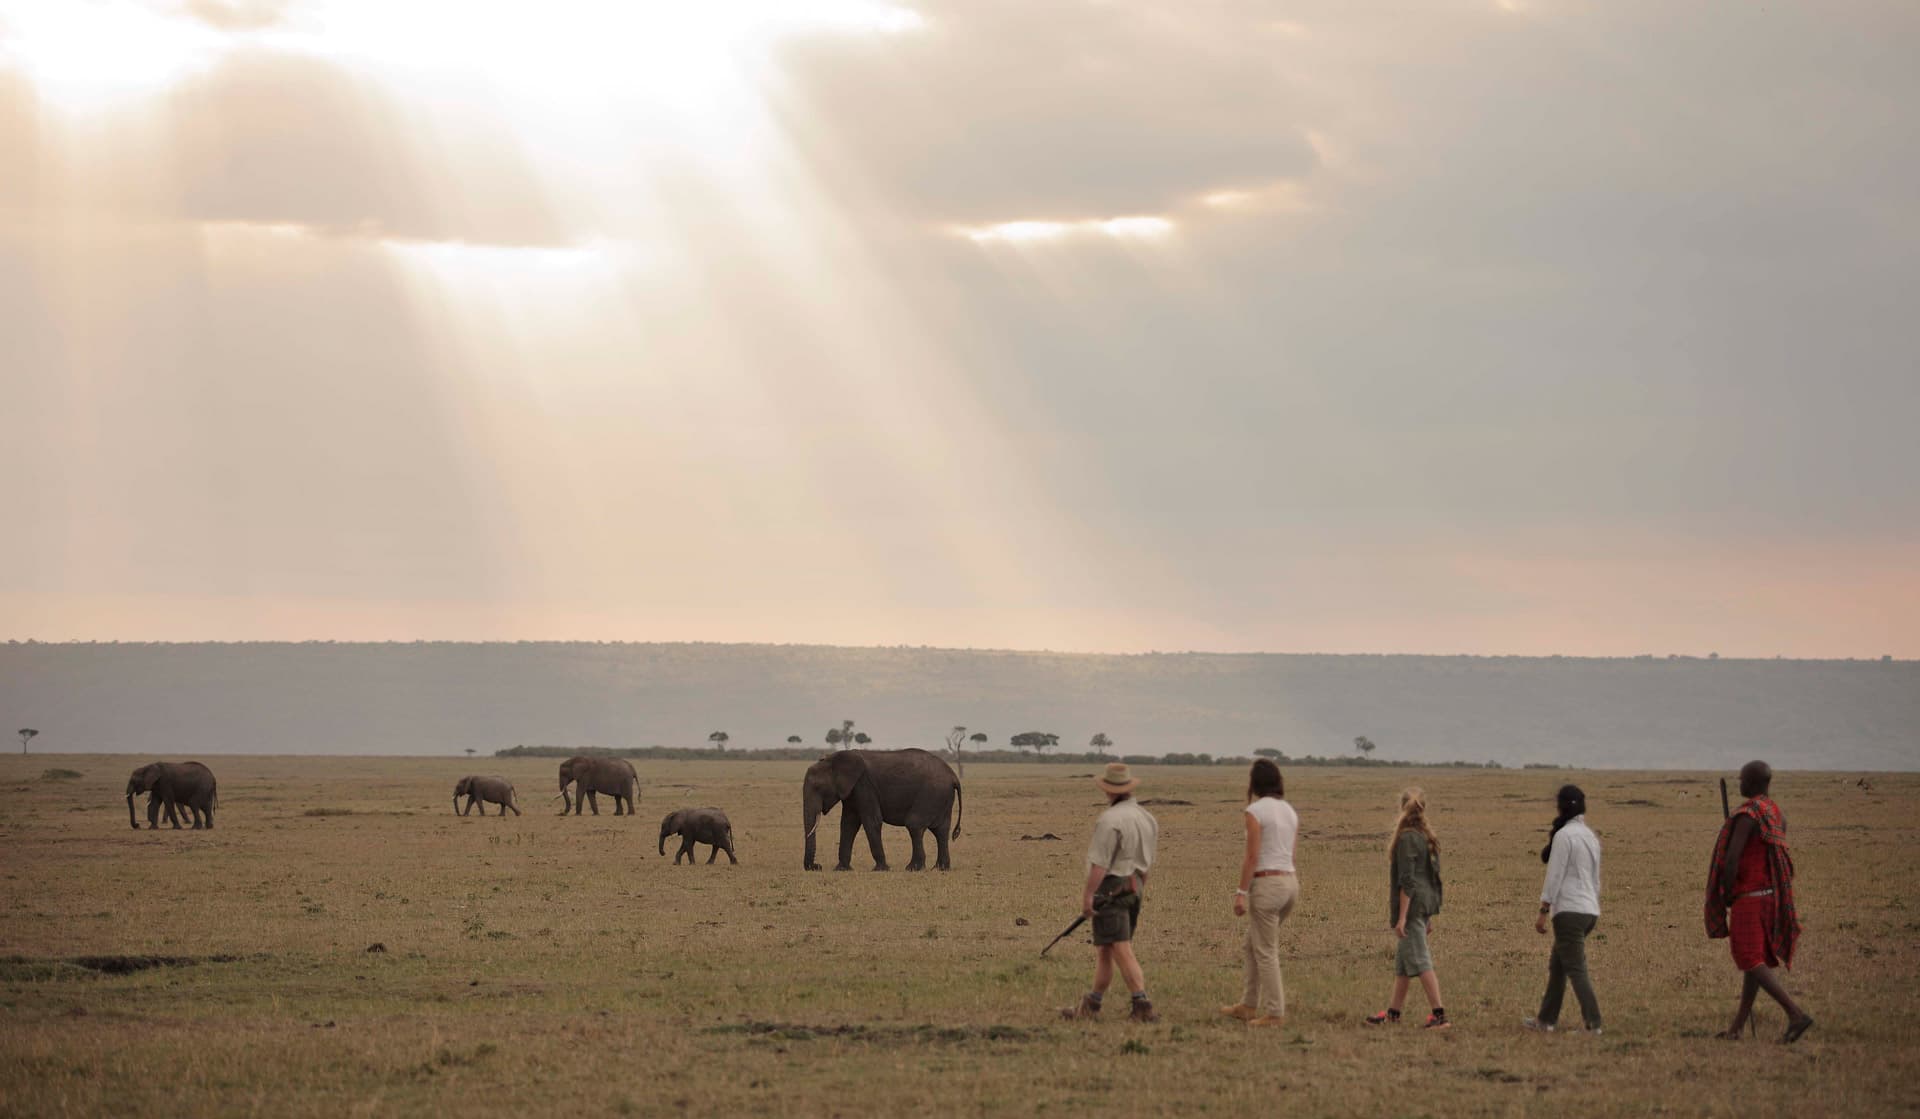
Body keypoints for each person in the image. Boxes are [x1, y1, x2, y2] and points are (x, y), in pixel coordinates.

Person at [1706, 760, 1813, 1042]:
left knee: (1748, 958)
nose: (1738, 782)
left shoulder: (1748, 816)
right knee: (1752, 964)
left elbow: (1732, 860)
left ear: (1751, 783)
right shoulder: (1775, 813)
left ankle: (1795, 1013)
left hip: (1750, 898)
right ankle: (1737, 1028)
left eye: (1741, 779)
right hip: (1772, 896)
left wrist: (1727, 891)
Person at [1060, 762, 1161, 1023]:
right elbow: (1147, 864)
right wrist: (1138, 890)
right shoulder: (1146, 818)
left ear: (1109, 790)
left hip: (1111, 889)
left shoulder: (1109, 820)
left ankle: (1142, 1004)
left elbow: (1100, 865)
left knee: (1120, 947)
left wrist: (1088, 897)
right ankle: (1091, 1005)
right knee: (1105, 948)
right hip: (1135, 886)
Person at [1221, 759, 1298, 1027]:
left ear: (1254, 782)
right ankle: (1248, 1004)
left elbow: (1252, 855)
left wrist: (1241, 892)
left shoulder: (1255, 810)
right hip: (1290, 884)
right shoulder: (1289, 810)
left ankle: (1275, 1013)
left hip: (1268, 885)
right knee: (1252, 944)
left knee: (1265, 950)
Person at [1522, 785, 1603, 1034]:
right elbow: (1596, 877)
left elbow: (1554, 875)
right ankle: (1545, 1020)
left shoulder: (1564, 836)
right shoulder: (1590, 836)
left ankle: (1594, 1024)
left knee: (1576, 969)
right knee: (1558, 966)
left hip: (1569, 911)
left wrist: (1543, 911)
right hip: (1590, 909)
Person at [1365, 787, 1448, 1029]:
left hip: (1412, 908)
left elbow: (1409, 881)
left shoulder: (1407, 838)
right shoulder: (1425, 837)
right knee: (1403, 965)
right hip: (1422, 906)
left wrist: (1402, 918)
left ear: (1402, 808)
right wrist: (1427, 916)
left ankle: (1440, 1015)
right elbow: (1430, 878)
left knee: (1421, 962)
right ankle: (1393, 1014)